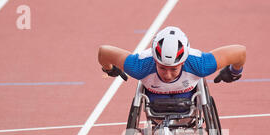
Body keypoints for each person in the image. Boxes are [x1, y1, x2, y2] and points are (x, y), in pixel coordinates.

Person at [98, 26, 246, 101]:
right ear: (155, 60)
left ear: (183, 62)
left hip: (188, 97)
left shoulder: (200, 64)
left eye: (174, 69)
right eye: (162, 68)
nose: (168, 75)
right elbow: (104, 51)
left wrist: (234, 72)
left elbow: (240, 51)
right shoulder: (139, 66)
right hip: (154, 99)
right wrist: (109, 69)